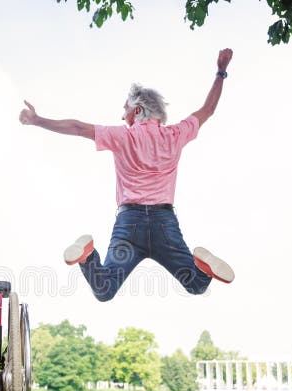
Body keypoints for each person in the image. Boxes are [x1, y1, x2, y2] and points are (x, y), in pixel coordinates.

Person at [19, 48, 235, 302]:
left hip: (129, 225)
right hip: (165, 225)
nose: (122, 115)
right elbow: (207, 109)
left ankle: (88, 256)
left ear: (137, 110)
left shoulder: (122, 135)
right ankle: (202, 265)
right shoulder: (176, 134)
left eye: (125, 109)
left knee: (104, 289)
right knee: (197, 285)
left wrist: (37, 120)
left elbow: (77, 127)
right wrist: (221, 71)